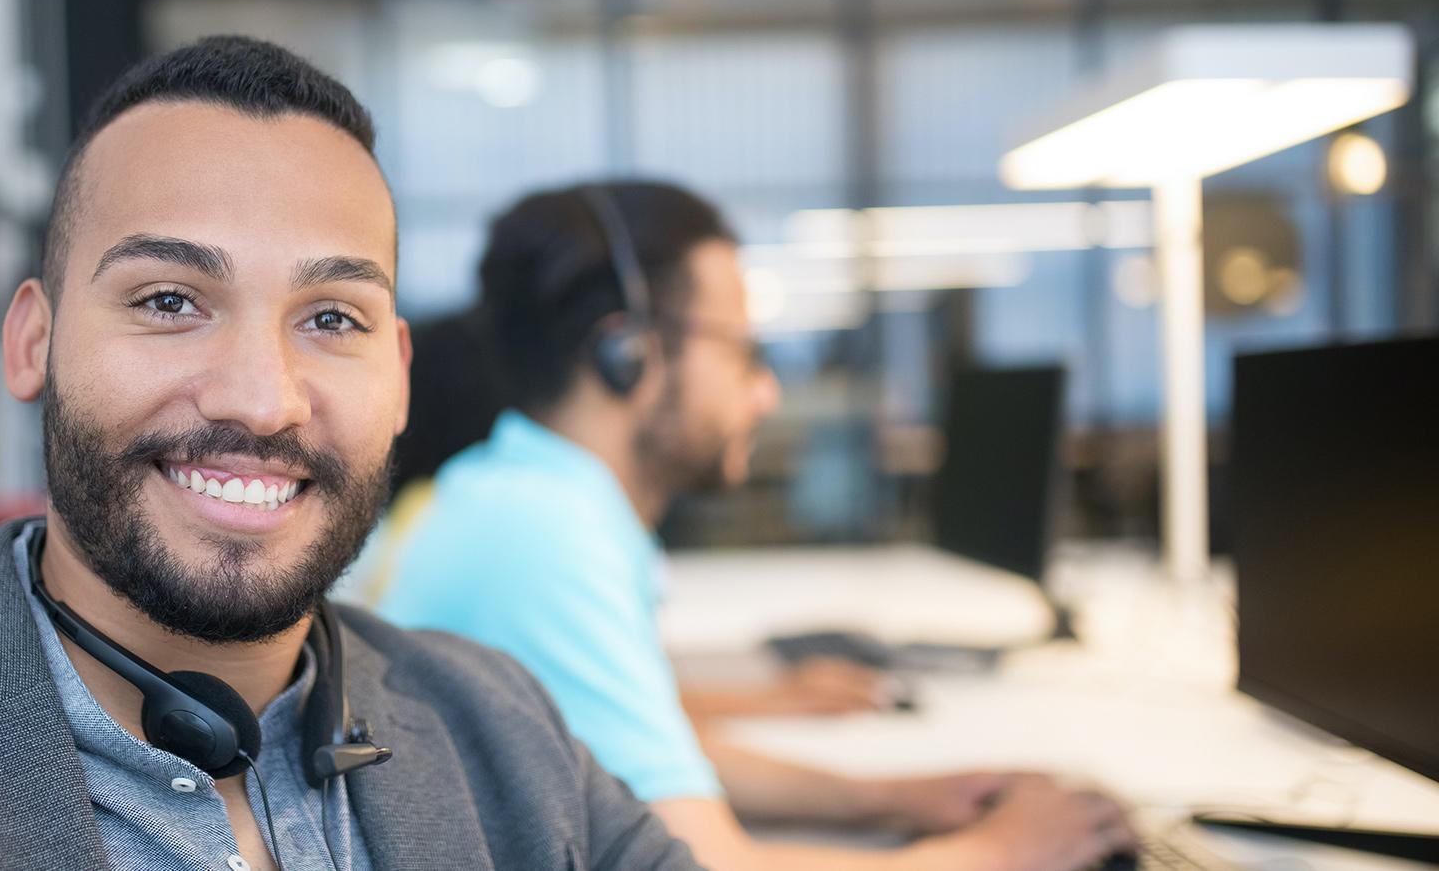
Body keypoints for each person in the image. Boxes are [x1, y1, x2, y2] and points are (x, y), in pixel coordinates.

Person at [0, 39, 699, 871]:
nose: (261, 397)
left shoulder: (502, 726)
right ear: (33, 341)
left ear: (398, 375)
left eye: (332, 319)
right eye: (169, 298)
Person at [375, 182, 1136, 871]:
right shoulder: (543, 534)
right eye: (744, 352)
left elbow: (635, 760)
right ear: (628, 353)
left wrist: (887, 799)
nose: (766, 391)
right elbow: (702, 864)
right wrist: (1001, 853)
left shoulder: (521, 492)